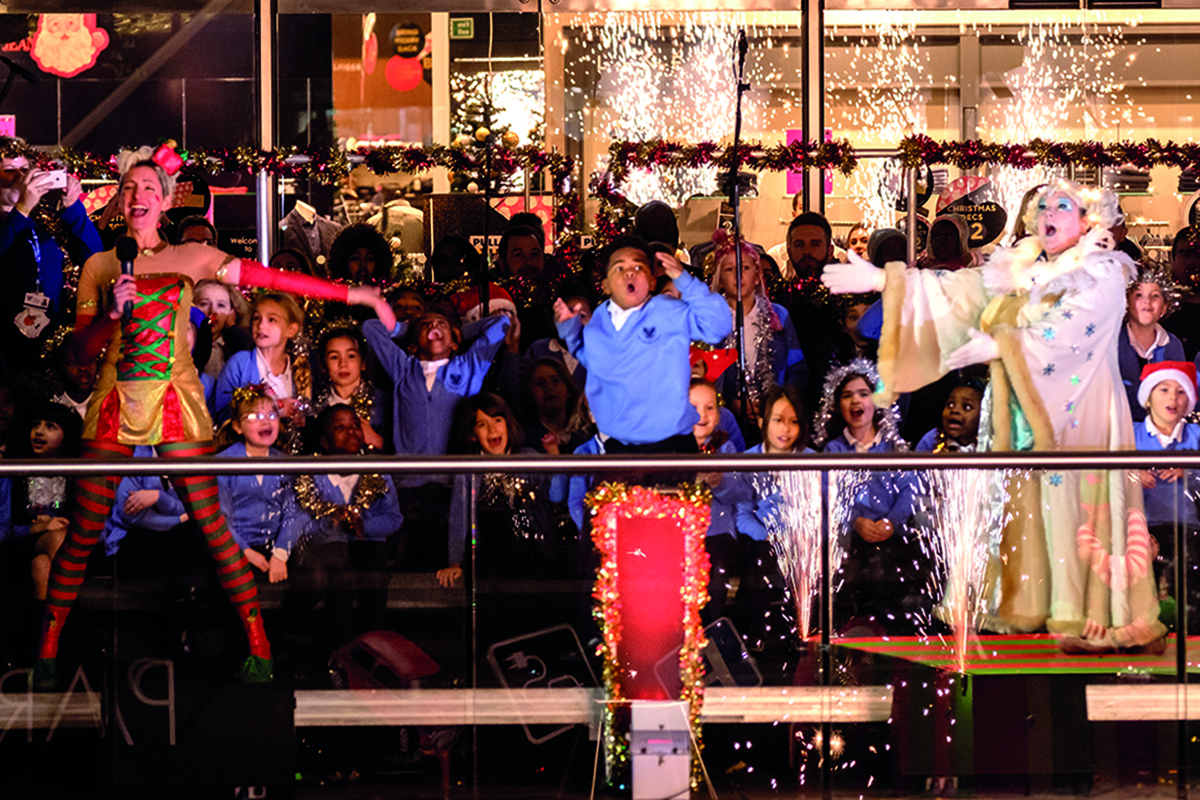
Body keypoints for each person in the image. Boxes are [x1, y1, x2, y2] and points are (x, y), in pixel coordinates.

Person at [35, 146, 390, 687]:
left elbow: (272, 278)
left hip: (176, 400)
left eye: (148, 187)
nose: (137, 196)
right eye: (129, 188)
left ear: (166, 200)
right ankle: (47, 649)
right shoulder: (100, 266)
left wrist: (351, 293)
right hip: (114, 399)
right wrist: (110, 315)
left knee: (213, 527)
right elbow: (80, 354)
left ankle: (259, 647)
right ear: (120, 199)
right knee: (83, 532)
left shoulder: (193, 257)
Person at [824, 180, 1164, 651]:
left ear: (1087, 221)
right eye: (1041, 207)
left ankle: (1098, 619)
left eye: (1061, 206)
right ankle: (1025, 609)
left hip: (1081, 410)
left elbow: (1072, 331)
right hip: (1021, 415)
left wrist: (1001, 345)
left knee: (1080, 511)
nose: (1048, 214)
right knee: (1027, 510)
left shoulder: (1102, 273)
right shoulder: (1023, 269)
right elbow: (961, 290)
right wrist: (885, 281)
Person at [552, 234, 731, 454]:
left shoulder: (669, 310)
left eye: (638, 267)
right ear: (605, 285)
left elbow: (718, 326)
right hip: (619, 445)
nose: (629, 273)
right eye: (619, 268)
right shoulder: (598, 321)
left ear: (652, 281)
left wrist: (684, 280)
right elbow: (593, 362)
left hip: (672, 443)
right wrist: (570, 331)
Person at [814, 362, 931, 634]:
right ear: (838, 406)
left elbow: (909, 490)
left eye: (864, 393)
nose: (856, 400)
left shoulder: (893, 447)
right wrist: (856, 521)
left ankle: (891, 641)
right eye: (847, 395)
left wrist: (891, 522)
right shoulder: (833, 450)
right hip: (851, 540)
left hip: (894, 539)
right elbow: (830, 495)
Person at [286, 404, 402, 645]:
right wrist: (330, 522)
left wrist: (364, 526)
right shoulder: (311, 476)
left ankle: (373, 647)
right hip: (327, 549)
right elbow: (299, 523)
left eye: (355, 425)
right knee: (341, 573)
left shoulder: (376, 471)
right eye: (340, 428)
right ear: (324, 442)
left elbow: (393, 518)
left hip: (368, 547)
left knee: (373, 574)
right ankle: (340, 649)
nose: (351, 431)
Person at [0, 136, 103, 377]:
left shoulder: (45, 220)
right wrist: (21, 209)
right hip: (6, 342)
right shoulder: (13, 219)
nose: (20, 177)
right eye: (10, 170)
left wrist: (73, 206)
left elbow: (94, 256)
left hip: (50, 333)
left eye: (25, 170)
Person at [708, 228, 808, 412]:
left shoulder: (778, 316)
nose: (738, 275)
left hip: (773, 413)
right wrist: (729, 402)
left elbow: (798, 367)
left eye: (745, 268)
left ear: (757, 276)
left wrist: (780, 401)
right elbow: (703, 374)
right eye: (729, 269)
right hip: (726, 416)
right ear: (720, 279)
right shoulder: (709, 322)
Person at [1134, 361, 1200, 632]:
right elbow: (1107, 476)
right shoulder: (1131, 434)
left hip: (1188, 527)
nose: (1173, 398)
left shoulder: (1196, 435)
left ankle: (1190, 632)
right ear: (1148, 399)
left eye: (1180, 391)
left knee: (1189, 567)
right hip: (1140, 525)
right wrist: (1133, 476)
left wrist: (1189, 473)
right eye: (1164, 389)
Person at [217, 386, 305, 586]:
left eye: (272, 415)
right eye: (254, 416)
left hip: (276, 549)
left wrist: (280, 553)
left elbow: (294, 512)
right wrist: (246, 552)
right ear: (237, 426)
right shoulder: (223, 464)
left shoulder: (285, 463)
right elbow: (220, 518)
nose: (266, 421)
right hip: (235, 550)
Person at [214, 292, 311, 438]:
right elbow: (223, 416)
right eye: (256, 318)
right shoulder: (239, 364)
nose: (261, 326)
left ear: (291, 330)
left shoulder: (298, 368)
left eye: (272, 320)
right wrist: (276, 408)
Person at [1118, 264, 1184, 422]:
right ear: (1127, 303)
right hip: (1121, 429)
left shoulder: (1173, 346)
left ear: (1164, 307)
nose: (1147, 301)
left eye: (1155, 296)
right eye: (1139, 295)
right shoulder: (1113, 343)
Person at [312, 325, 386, 451]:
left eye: (351, 356)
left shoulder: (384, 402)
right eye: (334, 357)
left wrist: (377, 440)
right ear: (323, 365)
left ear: (363, 362)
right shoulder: (314, 407)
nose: (343, 364)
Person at [193, 278, 252, 379]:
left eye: (221, 305)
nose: (213, 311)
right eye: (204, 304)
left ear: (232, 312)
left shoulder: (232, 346)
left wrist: (231, 326)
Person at [915, 378, 984, 453]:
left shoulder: (988, 443)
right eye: (950, 404)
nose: (955, 410)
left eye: (967, 407)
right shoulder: (932, 440)